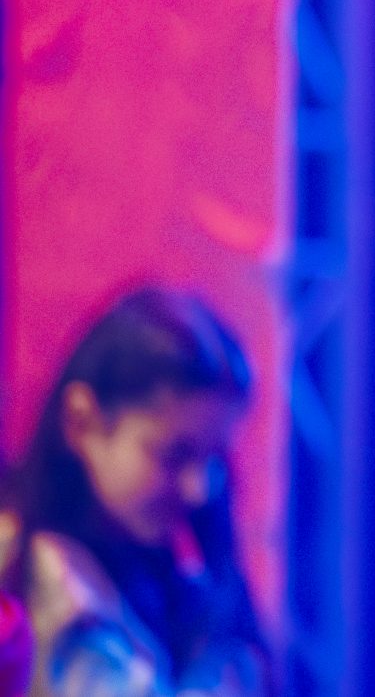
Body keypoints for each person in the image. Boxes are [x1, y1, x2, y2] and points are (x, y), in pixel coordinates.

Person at [0, 290, 271, 697]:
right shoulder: (31, 569)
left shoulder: (170, 576)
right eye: (174, 455)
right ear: (81, 421)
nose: (198, 489)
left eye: (215, 459)